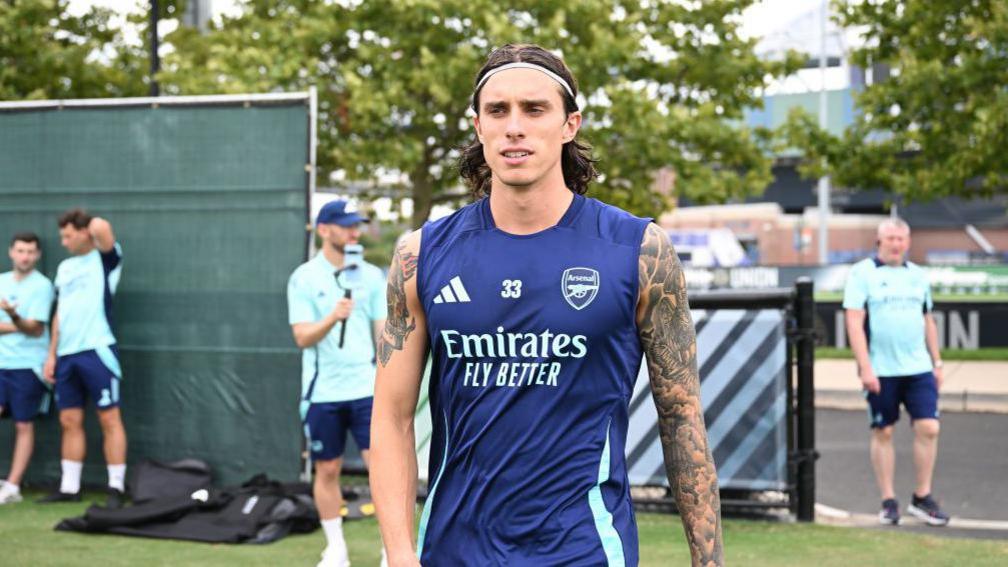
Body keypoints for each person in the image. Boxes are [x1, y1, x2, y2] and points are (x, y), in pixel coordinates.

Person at [370, 44, 723, 567]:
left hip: (586, 550)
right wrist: (399, 552)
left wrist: (708, 560)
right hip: (452, 551)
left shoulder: (639, 250)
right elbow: (392, 417)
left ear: (569, 124)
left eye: (534, 109)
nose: (515, 126)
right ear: (478, 127)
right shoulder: (420, 255)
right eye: (498, 110)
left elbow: (682, 418)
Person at [287, 200, 388, 567]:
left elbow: (383, 336)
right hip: (321, 393)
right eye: (347, 225)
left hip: (366, 390)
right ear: (324, 229)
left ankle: (389, 549)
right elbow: (302, 337)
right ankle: (336, 549)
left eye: (357, 225)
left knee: (383, 470)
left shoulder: (373, 277)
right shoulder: (303, 278)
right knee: (327, 469)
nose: (354, 232)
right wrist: (333, 316)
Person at [844, 217, 950, 526]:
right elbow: (854, 322)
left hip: (918, 368)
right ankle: (889, 501)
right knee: (884, 431)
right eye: (890, 238)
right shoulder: (862, 273)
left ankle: (922, 497)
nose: (896, 244)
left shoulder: (918, 276)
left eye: (901, 238)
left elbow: (927, 320)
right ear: (879, 241)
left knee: (929, 427)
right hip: (881, 369)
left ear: (908, 242)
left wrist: (937, 362)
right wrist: (865, 367)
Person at [39, 209, 129, 507]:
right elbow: (60, 314)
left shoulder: (105, 259)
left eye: (68, 235)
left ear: (83, 233)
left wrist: (86, 223)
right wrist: (52, 355)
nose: (64, 242)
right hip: (66, 356)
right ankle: (69, 487)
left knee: (109, 418)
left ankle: (115, 488)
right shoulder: (65, 268)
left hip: (98, 351)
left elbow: (102, 227)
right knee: (69, 419)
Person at [0, 233, 55, 504]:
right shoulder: (1, 282)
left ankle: (12, 486)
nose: (25, 256)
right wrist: (18, 323)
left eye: (31, 252)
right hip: (1, 364)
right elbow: (26, 325)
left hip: (29, 366)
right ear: (11, 252)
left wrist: (12, 317)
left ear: (38, 255)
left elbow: (35, 329)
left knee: (24, 424)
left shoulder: (43, 286)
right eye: (20, 250)